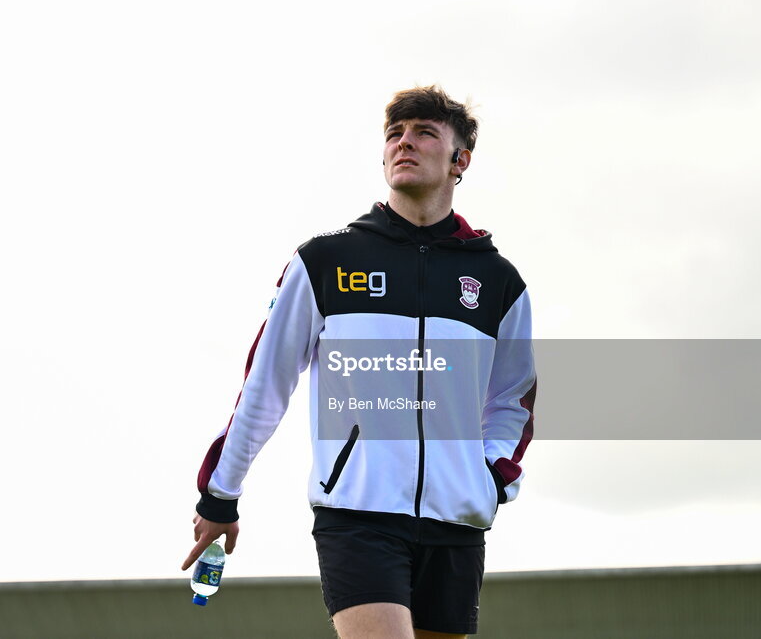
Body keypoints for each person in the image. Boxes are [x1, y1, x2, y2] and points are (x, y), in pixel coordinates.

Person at [181, 85, 536, 638]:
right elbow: (265, 384)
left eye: (423, 133)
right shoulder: (326, 260)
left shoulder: (499, 281)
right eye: (394, 133)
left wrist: (489, 478)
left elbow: (512, 399)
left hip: (456, 525)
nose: (404, 143)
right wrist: (221, 492)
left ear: (459, 159)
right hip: (358, 518)